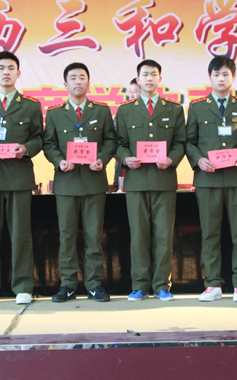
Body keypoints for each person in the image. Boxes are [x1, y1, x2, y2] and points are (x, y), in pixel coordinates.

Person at [0, 52, 44, 305]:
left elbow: (39, 138)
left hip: (19, 176)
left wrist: (26, 148)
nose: (6, 72)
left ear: (18, 73)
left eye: (11, 68)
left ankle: (23, 286)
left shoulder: (31, 105)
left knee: (21, 233)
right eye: (1, 68)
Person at [43, 63, 117, 303]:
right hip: (66, 183)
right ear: (65, 84)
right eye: (73, 78)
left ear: (88, 82)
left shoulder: (101, 111)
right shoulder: (55, 113)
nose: (78, 81)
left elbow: (110, 140)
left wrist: (102, 159)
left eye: (82, 77)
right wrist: (59, 161)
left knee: (94, 237)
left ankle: (94, 284)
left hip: (94, 182)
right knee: (67, 237)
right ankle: (68, 284)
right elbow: (49, 144)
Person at [186, 55, 237, 302]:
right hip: (208, 179)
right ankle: (213, 284)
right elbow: (189, 142)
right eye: (216, 74)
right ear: (210, 77)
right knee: (210, 234)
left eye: (226, 74)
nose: (221, 78)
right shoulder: (197, 107)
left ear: (233, 77)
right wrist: (198, 160)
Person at [116, 59, 186, 302]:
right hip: (136, 181)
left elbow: (181, 142)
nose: (149, 78)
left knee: (163, 235)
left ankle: (162, 285)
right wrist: (125, 158)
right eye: (144, 74)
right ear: (138, 79)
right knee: (138, 236)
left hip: (164, 180)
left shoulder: (174, 109)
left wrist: (172, 158)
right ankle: (139, 285)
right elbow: (119, 144)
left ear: (160, 79)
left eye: (153, 74)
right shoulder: (125, 110)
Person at [113, 79, 141, 190]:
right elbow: (113, 140)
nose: (131, 95)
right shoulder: (122, 112)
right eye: (130, 91)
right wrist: (125, 158)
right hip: (123, 167)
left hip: (148, 168)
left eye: (135, 91)